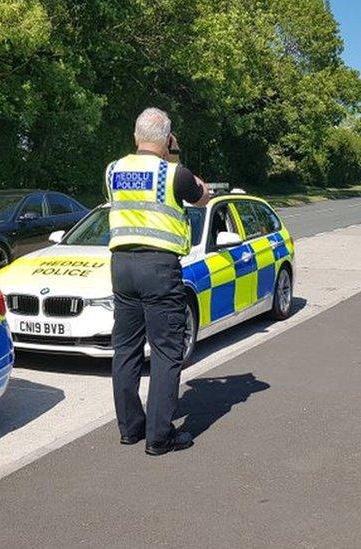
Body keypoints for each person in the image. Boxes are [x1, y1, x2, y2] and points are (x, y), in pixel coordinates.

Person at [107, 107, 210, 455]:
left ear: (135, 137)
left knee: (126, 349)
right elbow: (202, 195)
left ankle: (130, 429)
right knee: (166, 351)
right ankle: (159, 437)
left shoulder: (113, 170)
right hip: (159, 268)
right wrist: (176, 155)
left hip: (121, 266)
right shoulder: (173, 173)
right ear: (167, 140)